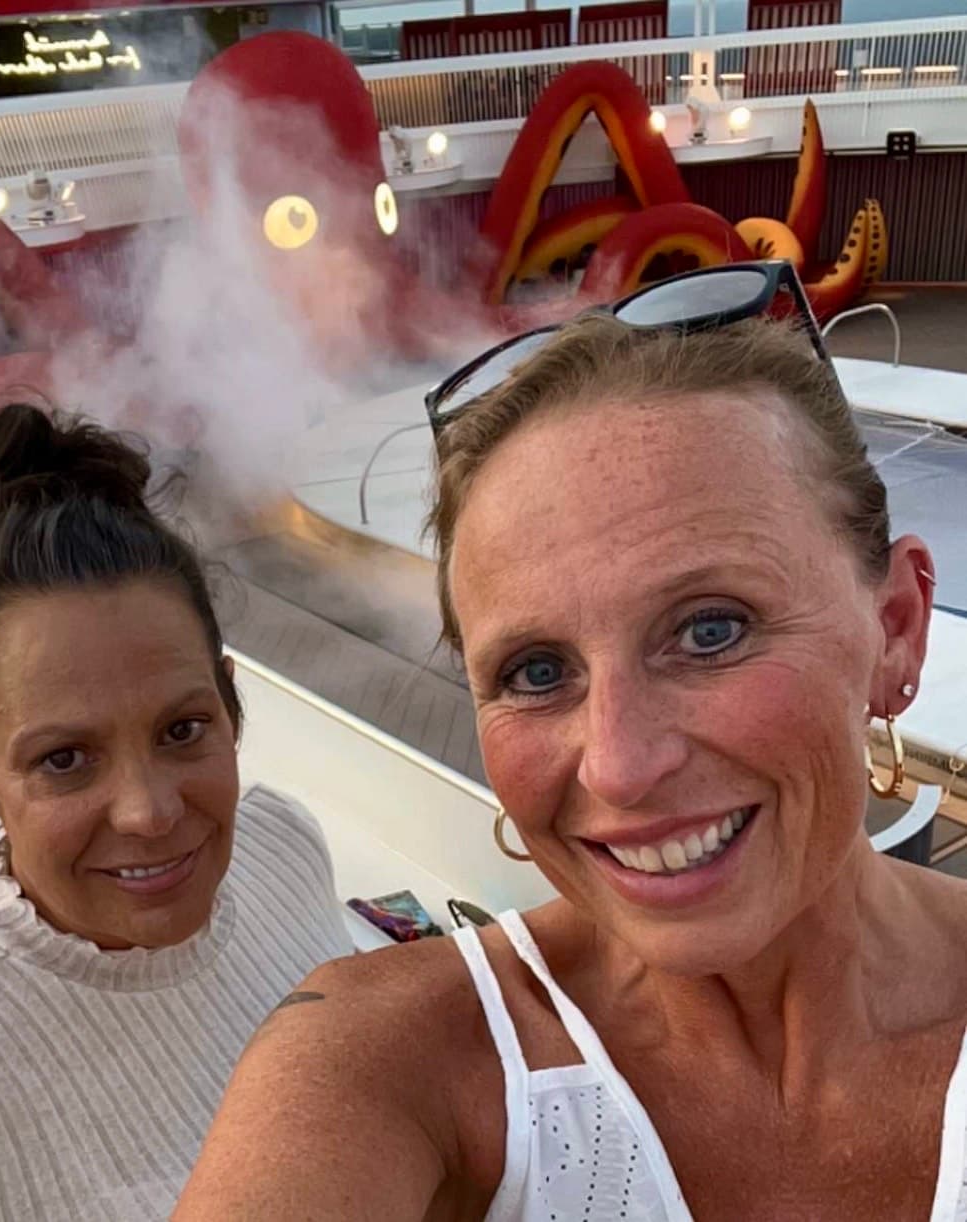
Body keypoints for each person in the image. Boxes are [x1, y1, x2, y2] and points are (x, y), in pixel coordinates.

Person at [174, 275, 967, 1221]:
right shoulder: (388, 1066)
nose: (619, 767)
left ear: (896, 626)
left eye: (710, 630)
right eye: (538, 673)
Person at [0, 403, 353, 1220]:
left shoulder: (282, 848)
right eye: (63, 760)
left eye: (182, 729)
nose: (149, 813)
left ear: (230, 707)